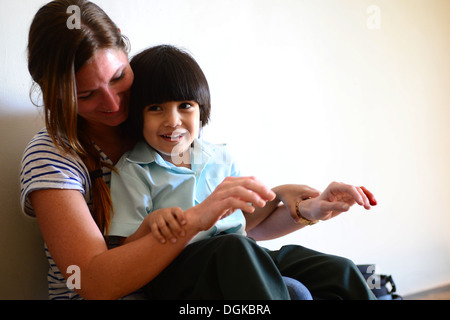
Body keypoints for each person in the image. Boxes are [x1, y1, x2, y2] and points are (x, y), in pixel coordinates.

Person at [20, 0, 376, 300]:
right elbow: (94, 281)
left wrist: (293, 203)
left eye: (117, 78)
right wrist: (195, 218)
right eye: (86, 94)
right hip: (143, 290)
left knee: (333, 274)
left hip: (215, 263)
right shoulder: (56, 157)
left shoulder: (161, 133)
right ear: (54, 93)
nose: (113, 103)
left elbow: (234, 232)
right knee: (287, 289)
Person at [108, 45, 378, 300]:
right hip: (177, 273)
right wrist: (150, 225)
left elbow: (246, 225)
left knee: (339, 270)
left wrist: (303, 205)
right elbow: (123, 251)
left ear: (201, 109)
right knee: (237, 249)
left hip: (240, 255)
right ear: (137, 116)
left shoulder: (219, 157)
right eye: (156, 108)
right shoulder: (132, 170)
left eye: (185, 106)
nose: (173, 120)